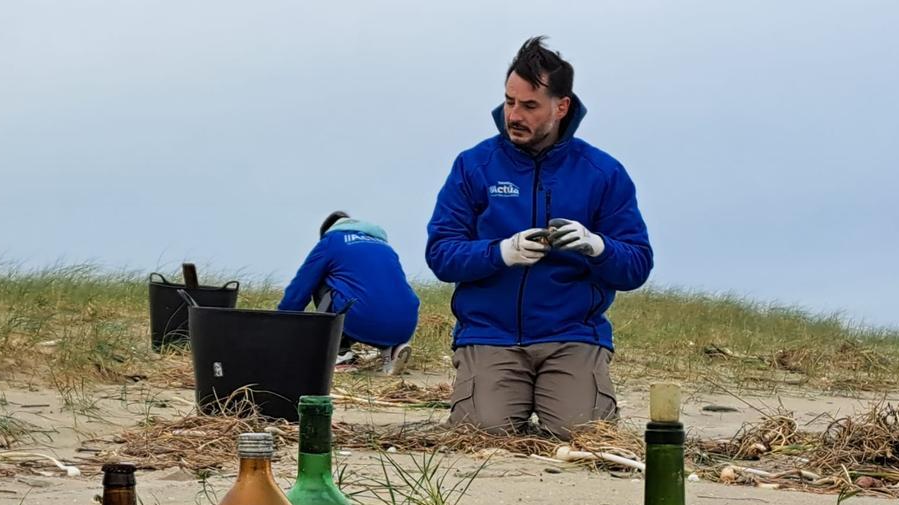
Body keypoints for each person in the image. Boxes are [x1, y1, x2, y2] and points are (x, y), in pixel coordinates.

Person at [425, 37, 653, 437]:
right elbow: (441, 254)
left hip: (572, 334)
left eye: (529, 106)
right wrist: (501, 253)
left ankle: (564, 398)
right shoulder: (474, 165)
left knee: (584, 435)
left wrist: (597, 246)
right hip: (490, 334)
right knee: (482, 434)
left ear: (561, 107)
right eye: (510, 101)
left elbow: (636, 265)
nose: (514, 114)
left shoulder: (602, 172)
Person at [278, 211, 420, 376]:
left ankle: (339, 351)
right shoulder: (385, 248)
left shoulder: (331, 242)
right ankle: (392, 350)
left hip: (362, 319)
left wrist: (282, 324)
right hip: (405, 325)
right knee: (378, 292)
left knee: (321, 281)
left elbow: (300, 287)